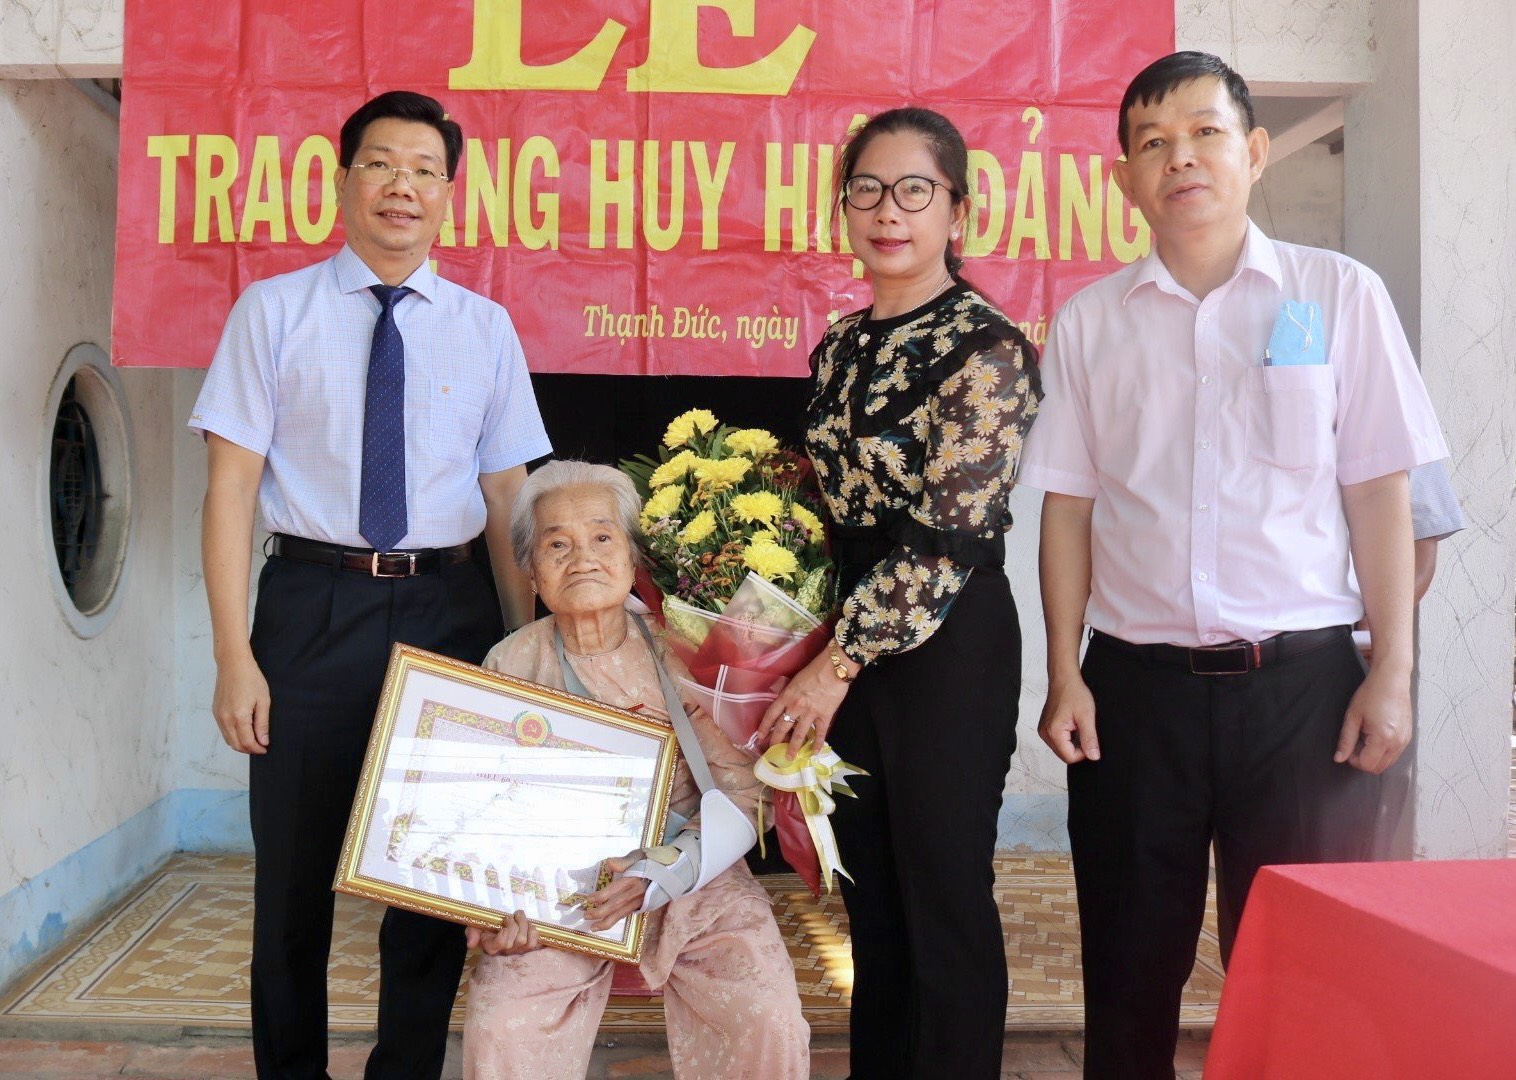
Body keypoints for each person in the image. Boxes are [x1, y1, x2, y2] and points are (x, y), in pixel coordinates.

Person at [1016, 51, 1449, 1078]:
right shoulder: (1090, 322)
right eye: (1153, 143)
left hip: (1305, 696)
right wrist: (1065, 672)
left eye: (1205, 133)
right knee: (1129, 977)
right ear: (1123, 177)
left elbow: (1379, 493)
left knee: (1310, 976)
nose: (1181, 159)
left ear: (1253, 152)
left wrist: (1391, 670)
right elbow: (1069, 509)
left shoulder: (1338, 295)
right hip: (1134, 699)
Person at [190, 91, 551, 1079]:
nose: (404, 185)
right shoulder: (273, 313)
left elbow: (507, 495)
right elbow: (230, 491)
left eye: (426, 169)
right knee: (292, 887)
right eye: (383, 163)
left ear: (449, 192)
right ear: (344, 179)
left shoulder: (485, 328)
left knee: (431, 884)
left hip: (451, 610)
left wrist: (522, 651)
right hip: (310, 609)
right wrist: (233, 655)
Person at [757, 107, 1042, 1079]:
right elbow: (827, 500)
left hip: (945, 644)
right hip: (848, 641)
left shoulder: (988, 349)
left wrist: (833, 664)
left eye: (915, 191)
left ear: (957, 211)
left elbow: (944, 538)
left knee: (944, 897)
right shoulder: (840, 345)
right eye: (867, 190)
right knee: (871, 898)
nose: (889, 212)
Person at [462, 460, 809, 1079]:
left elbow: (743, 791)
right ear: (531, 571)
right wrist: (489, 907)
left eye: (602, 537)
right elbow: (481, 811)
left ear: (632, 557)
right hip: (557, 891)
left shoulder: (685, 650)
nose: (582, 559)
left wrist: (665, 870)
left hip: (696, 876)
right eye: (557, 544)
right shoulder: (509, 662)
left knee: (766, 1014)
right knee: (502, 1022)